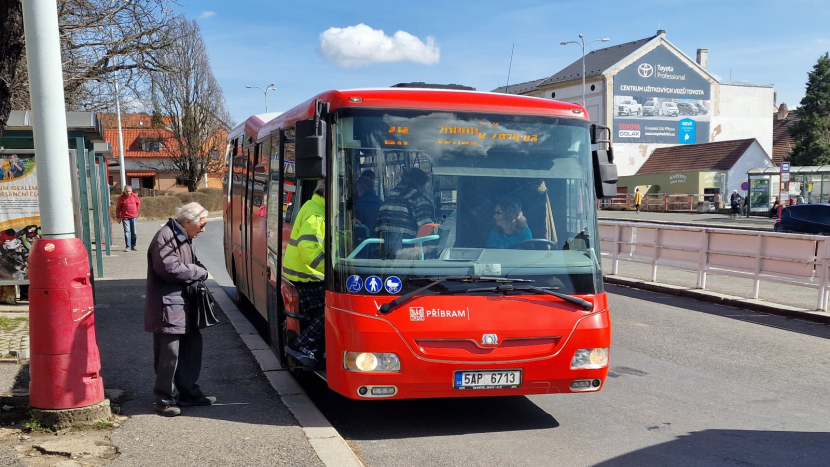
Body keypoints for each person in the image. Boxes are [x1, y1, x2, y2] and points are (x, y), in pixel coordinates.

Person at [145, 202, 213, 417]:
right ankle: (164, 400)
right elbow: (170, 269)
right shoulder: (166, 236)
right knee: (169, 355)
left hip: (184, 304)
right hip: (169, 306)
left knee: (191, 350)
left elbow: (190, 264)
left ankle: (189, 394)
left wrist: (197, 269)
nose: (203, 230)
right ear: (188, 222)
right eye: (201, 225)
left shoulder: (183, 235)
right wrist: (199, 271)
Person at [284, 180, 326, 369]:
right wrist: (330, 270)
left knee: (320, 314)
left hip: (304, 274)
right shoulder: (316, 213)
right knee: (328, 314)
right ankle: (302, 346)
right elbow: (308, 247)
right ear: (327, 193)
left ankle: (316, 350)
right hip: (307, 275)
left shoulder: (314, 206)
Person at [375, 168, 434, 257]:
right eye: (424, 185)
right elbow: (427, 232)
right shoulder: (419, 201)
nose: (425, 189)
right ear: (418, 184)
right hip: (407, 255)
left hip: (382, 255)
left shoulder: (387, 201)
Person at [116, 186, 141, 252]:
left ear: (131, 191)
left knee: (134, 232)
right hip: (125, 217)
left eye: (129, 191)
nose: (128, 193)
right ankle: (128, 246)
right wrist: (118, 217)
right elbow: (118, 208)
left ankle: (133, 246)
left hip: (134, 217)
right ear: (124, 191)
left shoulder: (134, 196)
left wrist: (136, 210)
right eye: (126, 191)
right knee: (127, 231)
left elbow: (138, 203)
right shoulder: (121, 198)